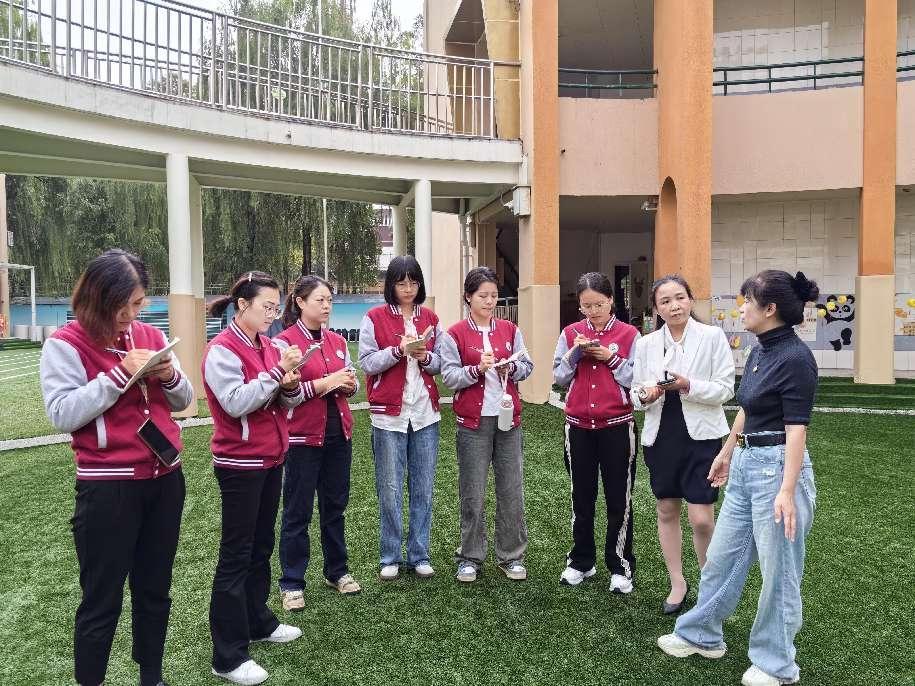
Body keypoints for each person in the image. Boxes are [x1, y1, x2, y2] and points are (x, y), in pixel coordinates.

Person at [658, 270, 820, 686]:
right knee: (722, 556)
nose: (741, 307)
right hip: (748, 462)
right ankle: (701, 635)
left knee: (779, 571)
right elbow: (748, 406)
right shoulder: (760, 349)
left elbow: (796, 429)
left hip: (778, 468)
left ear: (770, 309)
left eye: (748, 301)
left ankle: (776, 664)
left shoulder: (796, 358)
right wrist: (727, 453)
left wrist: (786, 491)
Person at [40, 249, 193, 686]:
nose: (131, 314)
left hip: (164, 478)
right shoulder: (65, 344)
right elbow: (62, 413)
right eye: (123, 306)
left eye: (139, 303)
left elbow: (184, 399)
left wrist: (168, 376)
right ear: (97, 299)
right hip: (108, 489)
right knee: (101, 600)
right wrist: (117, 376)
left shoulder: (149, 334)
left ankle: (152, 676)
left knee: (155, 589)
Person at [203, 271, 305, 686]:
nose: (272, 315)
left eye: (276, 308)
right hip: (239, 464)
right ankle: (227, 655)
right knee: (235, 555)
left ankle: (258, 621)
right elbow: (235, 403)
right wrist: (277, 374)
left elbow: (287, 401)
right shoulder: (221, 351)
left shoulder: (271, 345)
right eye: (266, 306)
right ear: (242, 305)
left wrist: (290, 384)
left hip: (271, 458)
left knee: (261, 547)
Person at [630, 275, 735, 614]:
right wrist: (645, 394)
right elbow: (635, 393)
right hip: (661, 436)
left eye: (679, 298)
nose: (674, 306)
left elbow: (726, 389)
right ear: (656, 308)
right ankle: (677, 582)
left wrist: (688, 385)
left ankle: (709, 582)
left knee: (702, 518)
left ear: (690, 299)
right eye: (665, 301)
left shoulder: (712, 336)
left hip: (702, 438)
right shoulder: (646, 343)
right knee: (666, 509)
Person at [440, 266, 533, 583]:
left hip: (509, 419)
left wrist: (512, 368)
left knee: (511, 489)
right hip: (472, 423)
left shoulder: (510, 330)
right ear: (468, 297)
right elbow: (449, 376)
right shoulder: (455, 334)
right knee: (472, 491)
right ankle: (470, 557)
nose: (490, 301)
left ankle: (511, 556)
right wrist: (477, 369)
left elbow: (527, 364)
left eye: (494, 295)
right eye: (483, 295)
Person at [275, 275, 361, 608]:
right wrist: (328, 382)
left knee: (334, 507)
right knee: (297, 511)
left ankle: (337, 571)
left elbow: (351, 382)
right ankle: (292, 582)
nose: (326, 306)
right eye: (319, 300)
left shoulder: (337, 341)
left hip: (339, 434)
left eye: (329, 301)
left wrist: (348, 384)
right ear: (300, 302)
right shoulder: (284, 344)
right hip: (301, 438)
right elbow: (286, 393)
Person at [552, 271, 640, 593]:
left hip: (617, 426)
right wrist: (575, 353)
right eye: (586, 306)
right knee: (581, 497)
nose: (593, 311)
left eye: (599, 304)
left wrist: (610, 358)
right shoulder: (571, 333)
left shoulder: (629, 334)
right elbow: (559, 376)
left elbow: (637, 378)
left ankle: (620, 566)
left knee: (619, 499)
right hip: (578, 427)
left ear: (611, 301)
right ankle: (581, 561)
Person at [358, 256, 443, 581]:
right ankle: (390, 556)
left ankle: (419, 554)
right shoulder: (374, 317)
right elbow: (367, 363)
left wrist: (425, 356)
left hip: (425, 414)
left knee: (423, 488)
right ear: (391, 285)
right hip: (388, 417)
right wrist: (398, 351)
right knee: (390, 490)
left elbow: (441, 364)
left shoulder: (430, 317)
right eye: (401, 283)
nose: (408, 289)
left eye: (414, 282)